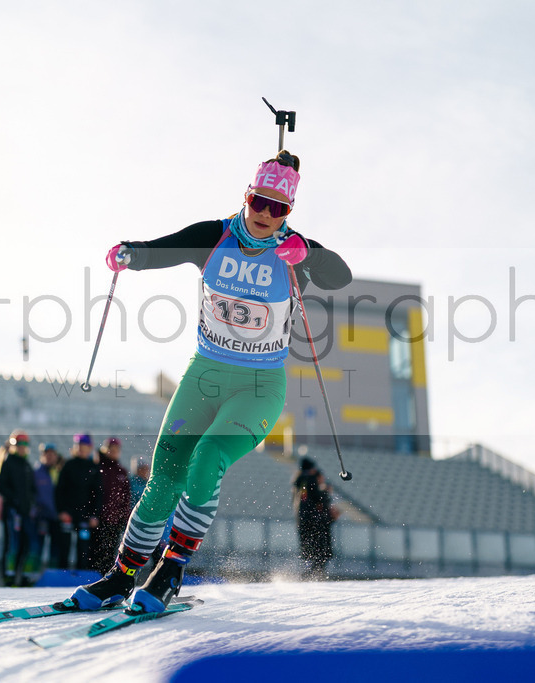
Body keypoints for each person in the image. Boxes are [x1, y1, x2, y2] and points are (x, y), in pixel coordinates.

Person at [72, 150, 351, 612]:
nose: (265, 214)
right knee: (164, 477)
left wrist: (307, 254)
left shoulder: (292, 249)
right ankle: (119, 578)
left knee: (206, 458)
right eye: (259, 202)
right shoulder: (214, 236)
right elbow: (161, 248)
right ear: (246, 196)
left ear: (289, 213)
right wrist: (129, 256)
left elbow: (339, 275)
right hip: (204, 376)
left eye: (277, 208)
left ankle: (170, 570)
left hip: (258, 387)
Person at [0, 430, 37, 586]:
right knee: (12, 543)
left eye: (24, 444)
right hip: (13, 512)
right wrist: (15, 500)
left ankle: (23, 576)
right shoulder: (8, 462)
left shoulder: (26, 465)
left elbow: (32, 489)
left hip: (25, 512)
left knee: (27, 544)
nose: (21, 447)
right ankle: (9, 576)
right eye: (18, 444)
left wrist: (30, 504)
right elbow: (0, 486)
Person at [55, 433, 101, 571]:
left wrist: (94, 515)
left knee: (83, 548)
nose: (81, 448)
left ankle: (80, 577)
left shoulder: (93, 467)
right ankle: (62, 575)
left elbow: (97, 494)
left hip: (85, 515)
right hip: (68, 513)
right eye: (79, 445)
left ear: (90, 448)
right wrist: (61, 511)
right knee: (64, 546)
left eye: (84, 446)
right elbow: (59, 490)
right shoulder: (68, 465)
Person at [92, 437, 131, 572]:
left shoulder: (122, 472)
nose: (113, 452)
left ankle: (106, 577)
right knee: (96, 552)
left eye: (116, 450)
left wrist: (124, 518)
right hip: (99, 519)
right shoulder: (97, 468)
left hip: (115, 521)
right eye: (111, 449)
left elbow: (126, 498)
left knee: (111, 553)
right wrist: (93, 514)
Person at [293, 458, 335, 579]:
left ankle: (309, 575)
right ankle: (315, 577)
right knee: (320, 552)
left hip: (302, 520)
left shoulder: (298, 481)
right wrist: (326, 492)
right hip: (314, 521)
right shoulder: (310, 479)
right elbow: (318, 498)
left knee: (309, 552)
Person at [31, 443, 61, 573]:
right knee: (37, 548)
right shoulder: (36, 473)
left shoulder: (58, 472)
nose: (49, 457)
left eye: (52, 454)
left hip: (56, 516)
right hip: (41, 516)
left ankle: (52, 576)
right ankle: (31, 576)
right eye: (46, 454)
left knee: (55, 550)